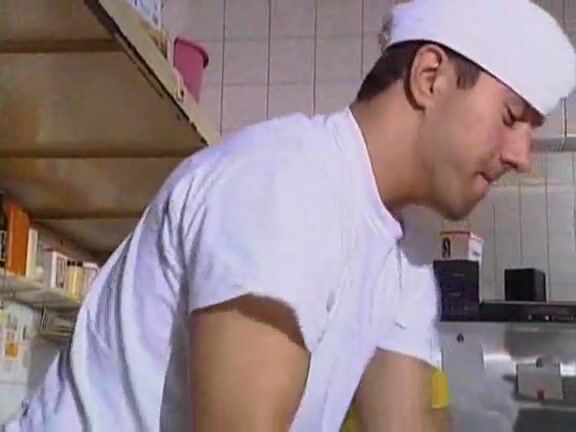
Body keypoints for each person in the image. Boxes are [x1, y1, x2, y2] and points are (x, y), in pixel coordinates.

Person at [3, 0, 575, 431]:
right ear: (430, 78)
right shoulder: (287, 184)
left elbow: (408, 419)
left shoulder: (406, 250)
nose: (521, 156)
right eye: (511, 117)